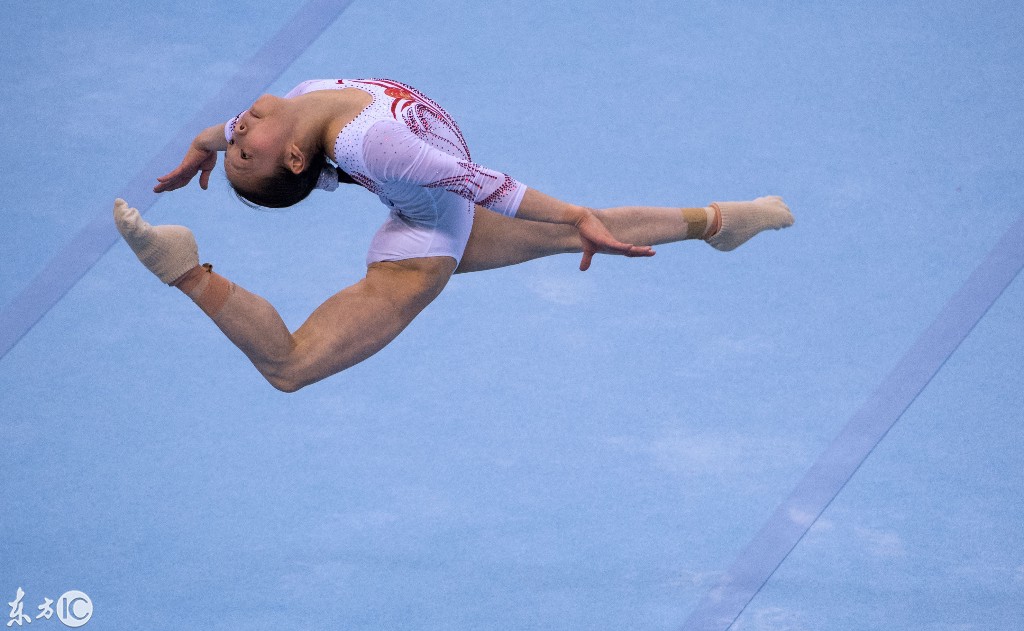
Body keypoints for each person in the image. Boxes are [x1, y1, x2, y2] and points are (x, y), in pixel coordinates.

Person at [114, 77, 793, 392]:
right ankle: (184, 268)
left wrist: (206, 146)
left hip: (434, 218)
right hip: (427, 239)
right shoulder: (367, 141)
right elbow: (487, 184)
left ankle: (722, 224)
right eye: (242, 148)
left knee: (572, 231)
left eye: (240, 139)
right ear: (294, 158)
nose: (239, 128)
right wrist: (572, 215)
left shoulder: (299, 107)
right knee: (290, 365)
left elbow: (237, 130)